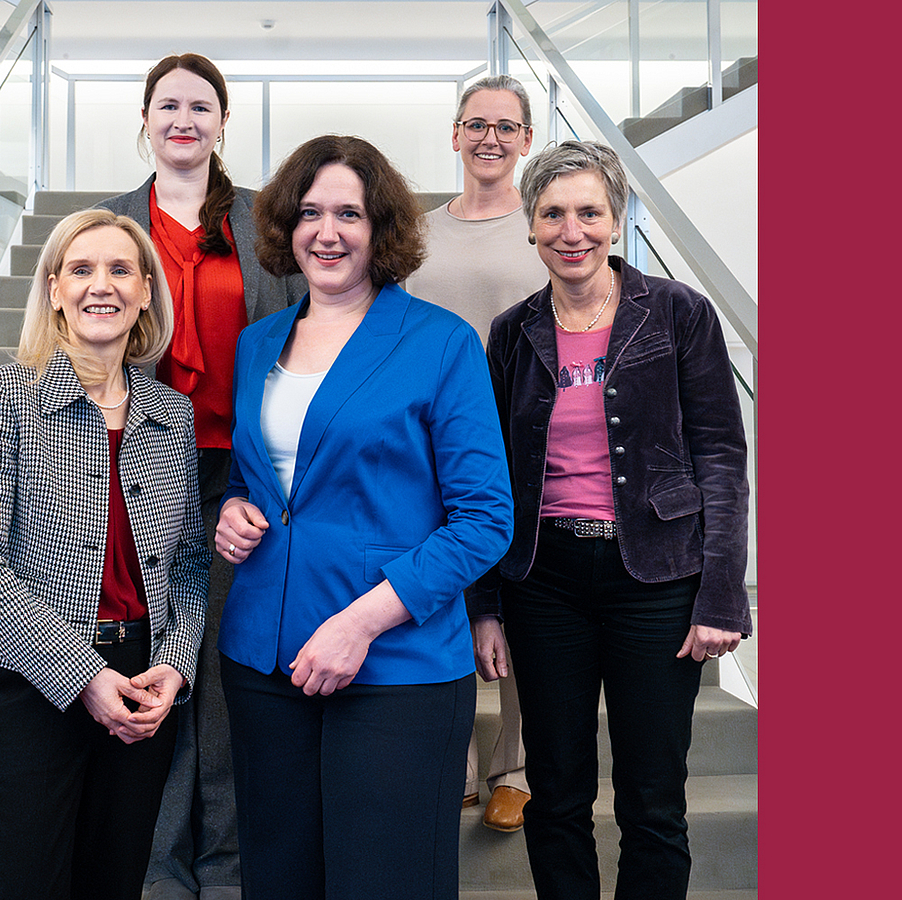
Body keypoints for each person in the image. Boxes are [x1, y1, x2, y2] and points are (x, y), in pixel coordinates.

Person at [215, 134, 513, 898]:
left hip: (394, 668)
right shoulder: (258, 344)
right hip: (264, 658)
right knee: (279, 880)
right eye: (310, 212)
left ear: (381, 228)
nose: (328, 231)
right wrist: (233, 510)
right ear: (287, 227)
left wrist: (361, 624)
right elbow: (260, 477)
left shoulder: (442, 344)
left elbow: (484, 520)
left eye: (349, 212)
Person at [469, 140, 749, 900]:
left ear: (617, 220)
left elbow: (721, 457)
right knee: (554, 794)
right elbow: (490, 481)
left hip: (655, 579)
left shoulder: (679, 314)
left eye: (590, 212)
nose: (572, 230)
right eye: (553, 213)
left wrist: (724, 593)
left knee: (652, 800)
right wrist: (486, 605)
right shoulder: (512, 331)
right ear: (531, 225)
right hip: (545, 582)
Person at [0, 209, 210, 899]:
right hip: (24, 687)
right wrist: (83, 675)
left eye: (122, 269)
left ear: (147, 291)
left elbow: (188, 565)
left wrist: (175, 666)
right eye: (82, 269)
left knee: (114, 886)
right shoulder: (3, 396)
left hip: (139, 689)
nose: (103, 285)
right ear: (54, 288)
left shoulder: (170, 413)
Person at [90, 53, 298, 896]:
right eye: (168, 104)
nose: (184, 118)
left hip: (242, 474)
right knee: (157, 661)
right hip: (134, 466)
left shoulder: (266, 224)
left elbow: (294, 343)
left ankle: (228, 862)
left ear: (222, 122)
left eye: (200, 106)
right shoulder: (107, 223)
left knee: (223, 671)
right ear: (143, 119)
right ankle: (159, 864)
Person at [400, 72, 546, 834]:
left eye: (507, 126)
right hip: (431, 439)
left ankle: (514, 768)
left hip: (527, 441)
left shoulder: (546, 225)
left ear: (526, 140)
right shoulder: (419, 232)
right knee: (442, 598)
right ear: (455, 135)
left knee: (520, 601)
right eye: (476, 124)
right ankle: (451, 761)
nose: (490, 137)